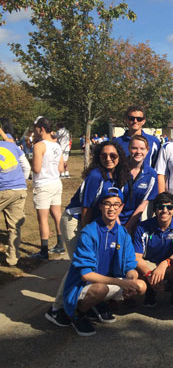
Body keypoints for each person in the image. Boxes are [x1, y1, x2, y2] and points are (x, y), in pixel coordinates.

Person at [45, 140, 130, 327]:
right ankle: (57, 309)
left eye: (113, 155)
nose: (108, 159)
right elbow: (86, 208)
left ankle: (90, 303)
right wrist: (87, 233)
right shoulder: (95, 175)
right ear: (98, 157)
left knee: (95, 264)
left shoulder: (115, 176)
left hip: (92, 223)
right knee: (79, 265)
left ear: (119, 157)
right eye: (103, 155)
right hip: (76, 221)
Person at [60, 187, 146, 336]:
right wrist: (121, 283)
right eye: (107, 204)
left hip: (108, 282)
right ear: (100, 206)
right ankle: (78, 314)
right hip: (83, 286)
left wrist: (131, 280)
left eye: (116, 204)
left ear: (121, 207)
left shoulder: (123, 233)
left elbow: (130, 266)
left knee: (141, 286)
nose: (112, 208)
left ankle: (97, 304)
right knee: (100, 289)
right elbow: (86, 275)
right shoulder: (89, 232)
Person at [133, 192, 173, 309]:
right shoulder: (143, 227)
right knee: (134, 270)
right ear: (155, 210)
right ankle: (150, 290)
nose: (165, 210)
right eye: (160, 207)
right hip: (150, 263)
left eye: (169, 207)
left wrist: (164, 264)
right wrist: (149, 274)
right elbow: (137, 256)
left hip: (170, 263)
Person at [31, 117, 65, 258]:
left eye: (35, 128)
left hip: (43, 184)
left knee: (43, 218)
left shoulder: (39, 146)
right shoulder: (57, 145)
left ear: (42, 129)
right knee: (57, 214)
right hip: (55, 182)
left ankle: (44, 251)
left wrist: (31, 162)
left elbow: (37, 168)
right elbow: (61, 168)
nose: (34, 131)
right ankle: (60, 244)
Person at [0, 118, 31, 266]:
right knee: (14, 227)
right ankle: (13, 258)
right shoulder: (13, 146)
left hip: (3, 189)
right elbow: (26, 166)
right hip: (19, 189)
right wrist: (20, 180)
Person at [121, 135, 158, 233]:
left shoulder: (151, 175)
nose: (138, 152)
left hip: (136, 222)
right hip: (114, 219)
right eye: (134, 148)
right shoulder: (118, 170)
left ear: (147, 151)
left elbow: (143, 203)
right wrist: (118, 227)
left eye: (142, 148)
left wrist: (128, 227)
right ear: (129, 149)